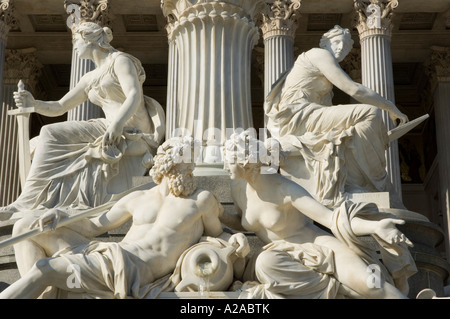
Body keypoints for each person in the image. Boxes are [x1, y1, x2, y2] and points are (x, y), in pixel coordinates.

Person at [0, 137, 249, 299]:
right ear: (164, 165)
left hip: (132, 270)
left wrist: (237, 236)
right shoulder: (137, 198)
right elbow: (93, 226)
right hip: (110, 254)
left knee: (45, 268)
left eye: (190, 166)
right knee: (27, 226)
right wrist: (62, 215)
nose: (189, 170)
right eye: (184, 165)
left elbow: (219, 234)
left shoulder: (201, 200)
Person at [221, 130, 417, 299]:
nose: (225, 168)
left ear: (245, 162)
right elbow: (244, 222)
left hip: (317, 247)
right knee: (266, 263)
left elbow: (330, 218)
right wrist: (220, 214)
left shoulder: (285, 189)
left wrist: (374, 226)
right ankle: (340, 289)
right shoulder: (239, 188)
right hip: (281, 257)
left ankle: (348, 288)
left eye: (229, 162)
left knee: (372, 285)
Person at [1, 21, 165, 214]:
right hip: (107, 126)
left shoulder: (119, 60)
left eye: (76, 41)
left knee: (49, 133)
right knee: (40, 140)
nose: (75, 46)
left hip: (131, 129)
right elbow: (60, 107)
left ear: (89, 40)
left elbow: (134, 95)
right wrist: (34, 103)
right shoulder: (89, 78)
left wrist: (117, 125)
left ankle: (26, 202)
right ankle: (31, 201)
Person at [264, 25, 408, 209]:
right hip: (297, 115)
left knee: (355, 129)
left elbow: (331, 120)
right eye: (337, 42)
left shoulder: (324, 83)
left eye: (346, 46)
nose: (341, 48)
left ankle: (361, 183)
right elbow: (353, 89)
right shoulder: (318, 54)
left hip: (308, 114)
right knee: (370, 112)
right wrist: (389, 106)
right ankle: (375, 182)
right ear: (325, 43)